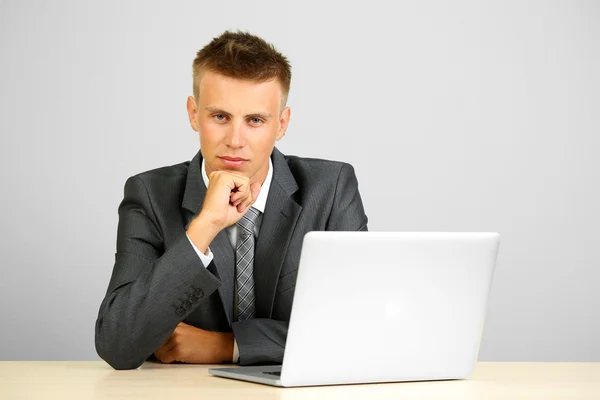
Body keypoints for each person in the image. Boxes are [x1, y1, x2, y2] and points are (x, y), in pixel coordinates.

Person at [94, 30, 368, 370]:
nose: (235, 140)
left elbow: (361, 331)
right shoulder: (149, 195)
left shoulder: (330, 189)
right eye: (220, 117)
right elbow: (117, 343)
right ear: (194, 114)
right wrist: (203, 228)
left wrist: (227, 346)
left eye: (255, 120)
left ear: (281, 124)